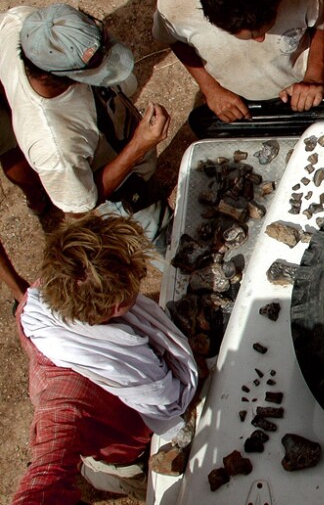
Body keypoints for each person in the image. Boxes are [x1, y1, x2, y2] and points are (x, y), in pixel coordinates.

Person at [12, 214, 198, 504]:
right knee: (147, 482)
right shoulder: (65, 399)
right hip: (125, 453)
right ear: (115, 306)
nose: (141, 278)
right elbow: (45, 478)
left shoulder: (46, 290)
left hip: (124, 424)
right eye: (137, 278)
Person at [0, 4, 172, 245]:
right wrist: (138, 147)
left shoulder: (23, 23)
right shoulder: (54, 144)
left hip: (114, 135)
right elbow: (79, 206)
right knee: (162, 233)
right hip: (120, 190)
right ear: (56, 78)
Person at [153, 0, 324, 122]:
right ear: (214, 20)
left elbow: (323, 26)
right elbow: (174, 40)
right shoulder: (174, 6)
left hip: (300, 85)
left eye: (267, 25)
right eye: (249, 36)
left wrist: (314, 75)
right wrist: (211, 89)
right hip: (233, 95)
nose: (260, 40)